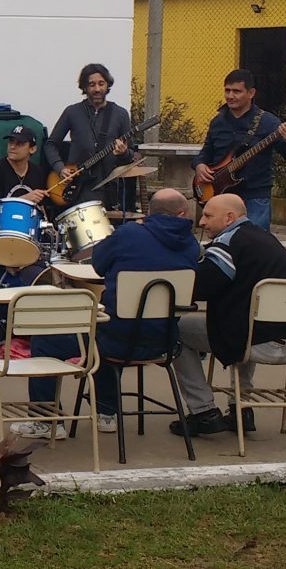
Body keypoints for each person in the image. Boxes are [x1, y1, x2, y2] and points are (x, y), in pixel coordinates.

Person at [11, 188, 201, 439]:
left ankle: (46, 420)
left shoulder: (129, 234)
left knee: (50, 338)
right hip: (164, 341)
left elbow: (99, 264)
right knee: (109, 328)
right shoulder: (191, 245)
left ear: (149, 213)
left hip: (116, 341)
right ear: (183, 214)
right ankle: (107, 413)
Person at [168, 194, 286, 438]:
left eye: (208, 216)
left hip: (255, 343)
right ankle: (241, 409)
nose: (201, 222)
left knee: (175, 330)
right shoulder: (266, 239)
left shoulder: (228, 243)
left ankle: (203, 411)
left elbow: (201, 286)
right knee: (247, 320)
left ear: (229, 218)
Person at [193, 69, 286, 230]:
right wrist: (199, 165)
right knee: (223, 239)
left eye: (236, 91)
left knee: (255, 240)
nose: (230, 96)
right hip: (221, 194)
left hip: (255, 195)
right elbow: (206, 151)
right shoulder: (218, 121)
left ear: (251, 93)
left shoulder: (268, 122)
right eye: (227, 90)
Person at [0, 125, 59, 289]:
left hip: (30, 239)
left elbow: (40, 210)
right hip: (1, 237)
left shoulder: (37, 172)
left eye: (19, 143)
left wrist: (51, 229)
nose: (12, 147)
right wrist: (26, 198)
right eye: (11, 142)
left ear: (32, 149)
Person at [46, 63, 134, 210]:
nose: (97, 89)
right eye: (92, 84)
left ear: (108, 85)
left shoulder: (120, 114)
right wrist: (60, 168)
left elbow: (131, 155)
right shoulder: (72, 112)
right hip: (77, 187)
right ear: (85, 87)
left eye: (101, 83)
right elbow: (51, 144)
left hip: (108, 188)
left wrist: (124, 152)